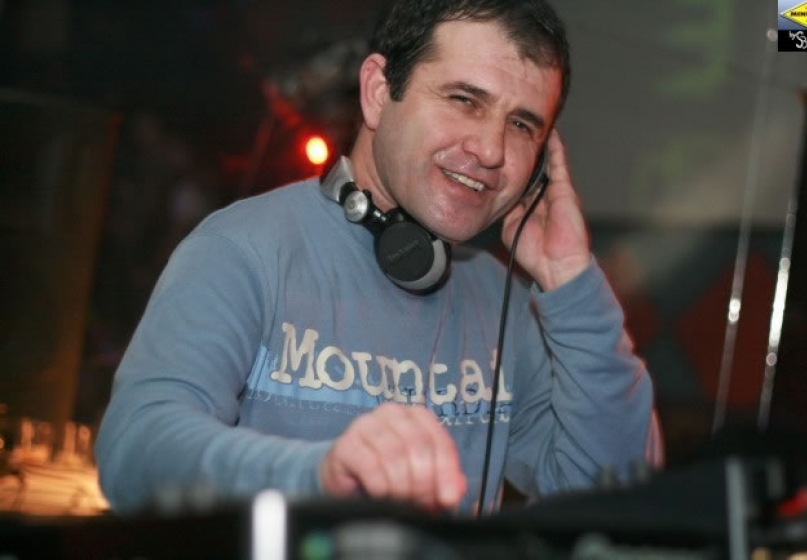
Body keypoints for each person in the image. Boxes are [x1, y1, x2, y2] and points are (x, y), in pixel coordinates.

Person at [95, 0, 663, 515]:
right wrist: (321, 477)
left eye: (521, 125)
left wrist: (572, 282)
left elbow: (620, 495)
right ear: (376, 91)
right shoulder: (242, 250)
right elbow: (134, 451)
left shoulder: (506, 301)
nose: (492, 150)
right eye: (464, 100)